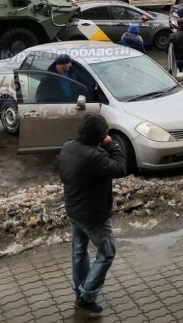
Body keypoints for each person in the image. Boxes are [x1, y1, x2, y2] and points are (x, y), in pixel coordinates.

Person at [58, 114, 128, 314]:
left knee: (79, 251)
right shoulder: (95, 156)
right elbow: (121, 168)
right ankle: (87, 295)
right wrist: (112, 144)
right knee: (107, 252)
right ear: (98, 136)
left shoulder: (67, 147)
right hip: (94, 215)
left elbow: (63, 176)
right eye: (104, 134)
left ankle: (80, 292)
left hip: (73, 209)